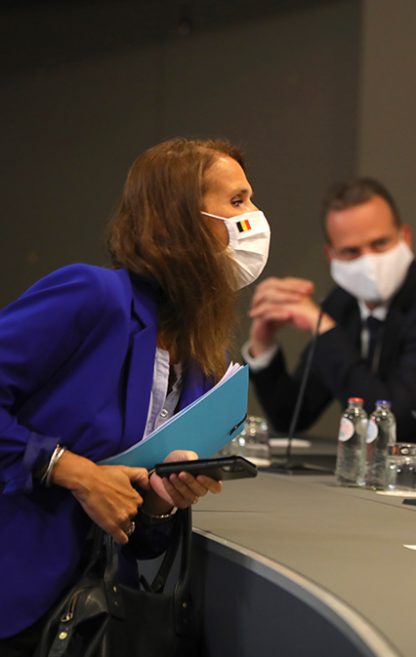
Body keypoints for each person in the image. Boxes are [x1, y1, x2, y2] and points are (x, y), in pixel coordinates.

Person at [0, 137, 262, 652]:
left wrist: (164, 501)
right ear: (181, 220)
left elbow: (138, 533)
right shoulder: (93, 296)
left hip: (83, 614)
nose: (254, 218)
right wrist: (69, 468)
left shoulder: (200, 355)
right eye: (237, 202)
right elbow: (86, 476)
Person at [244, 177, 416, 442]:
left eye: (379, 244)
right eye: (351, 251)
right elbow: (291, 416)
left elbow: (394, 424)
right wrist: (263, 344)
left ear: (405, 237)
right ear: (332, 256)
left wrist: (326, 329)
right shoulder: (343, 303)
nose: (369, 262)